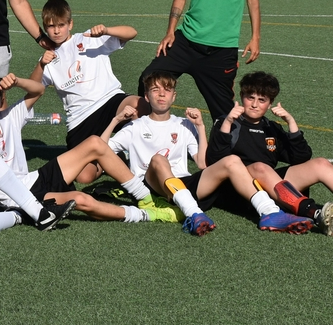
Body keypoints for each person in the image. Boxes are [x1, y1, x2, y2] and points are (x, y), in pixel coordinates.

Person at [0, 74, 171, 225]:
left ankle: (146, 198)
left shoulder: (9, 117)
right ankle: (148, 215)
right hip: (22, 198)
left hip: (35, 178)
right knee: (81, 198)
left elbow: (38, 90)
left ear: (1, 101)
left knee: (95, 143)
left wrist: (16, 82)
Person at [104, 72, 312, 236]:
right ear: (146, 96)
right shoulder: (134, 127)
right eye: (155, 90)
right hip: (152, 186)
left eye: (167, 90)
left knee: (231, 160)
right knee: (159, 160)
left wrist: (200, 127)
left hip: (185, 184)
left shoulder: (184, 124)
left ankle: (270, 213)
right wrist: (115, 121)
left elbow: (204, 164)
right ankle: (195, 214)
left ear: (174, 96)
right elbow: (101, 150)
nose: (161, 94)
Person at [30, 0, 145, 184]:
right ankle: (113, 156)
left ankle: (141, 162)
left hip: (109, 101)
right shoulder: (49, 59)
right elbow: (32, 88)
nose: (56, 30)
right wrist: (41, 65)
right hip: (80, 120)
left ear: (70, 24)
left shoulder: (88, 39)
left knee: (139, 105)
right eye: (51, 26)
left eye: (61, 24)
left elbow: (132, 32)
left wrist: (107, 30)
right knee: (84, 176)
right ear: (45, 28)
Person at [206, 71, 333, 234]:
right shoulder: (228, 122)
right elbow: (215, 161)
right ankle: (314, 213)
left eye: (261, 100)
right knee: (261, 167)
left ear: (270, 103)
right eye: (250, 97)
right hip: (240, 191)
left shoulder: (271, 128)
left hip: (271, 186)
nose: (254, 104)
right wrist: (228, 122)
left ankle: (300, 206)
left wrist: (291, 124)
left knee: (320, 164)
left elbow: (300, 158)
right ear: (241, 96)